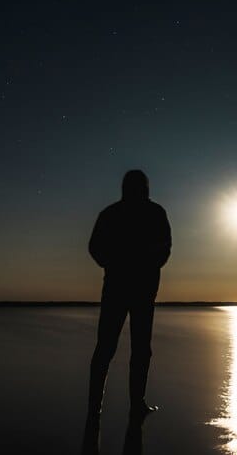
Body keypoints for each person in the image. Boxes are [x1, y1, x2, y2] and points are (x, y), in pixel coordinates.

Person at [85, 169, 172, 427]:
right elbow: (95, 247)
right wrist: (113, 264)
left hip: (139, 290)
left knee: (138, 349)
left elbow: (164, 247)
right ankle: (97, 407)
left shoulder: (153, 213)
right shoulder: (113, 214)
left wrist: (148, 265)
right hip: (120, 288)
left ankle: (134, 404)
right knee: (108, 347)